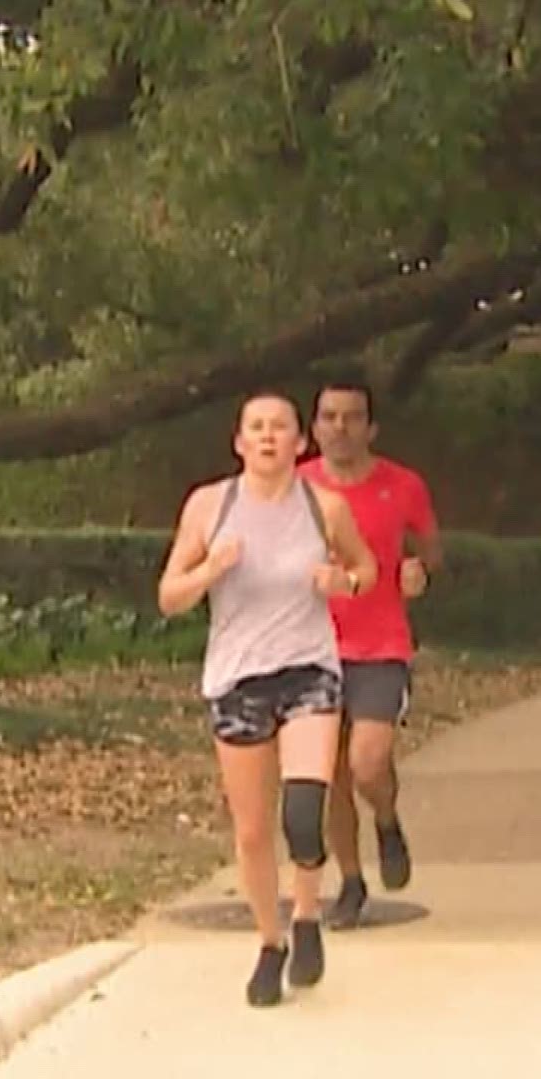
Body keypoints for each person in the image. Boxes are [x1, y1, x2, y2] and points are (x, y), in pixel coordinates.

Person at [158, 389, 378, 1007]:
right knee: (254, 833)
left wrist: (344, 582)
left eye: (280, 427)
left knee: (303, 812)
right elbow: (169, 595)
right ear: (239, 442)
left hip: (309, 668)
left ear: (299, 442)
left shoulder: (324, 507)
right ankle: (270, 941)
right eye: (255, 426)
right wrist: (209, 572)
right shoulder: (210, 505)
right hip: (237, 677)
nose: (268, 436)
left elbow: (368, 571)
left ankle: (307, 915)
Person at [300, 377, 443, 929]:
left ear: (371, 427)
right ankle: (352, 883)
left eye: (352, 417)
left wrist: (419, 570)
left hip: (381, 643)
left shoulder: (402, 485)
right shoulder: (296, 487)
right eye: (330, 416)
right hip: (312, 646)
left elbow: (431, 546)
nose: (340, 427)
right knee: (329, 771)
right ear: (314, 428)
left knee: (367, 761)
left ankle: (386, 818)